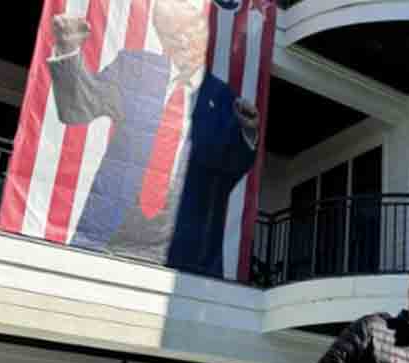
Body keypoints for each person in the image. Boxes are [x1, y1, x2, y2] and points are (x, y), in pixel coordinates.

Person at [48, 0, 259, 276]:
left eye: (191, 30)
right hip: (110, 234)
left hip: (183, 247)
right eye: (174, 32)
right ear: (162, 37)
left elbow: (232, 168)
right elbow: (76, 109)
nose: (184, 39)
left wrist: (248, 131)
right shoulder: (133, 67)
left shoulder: (224, 100)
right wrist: (68, 50)